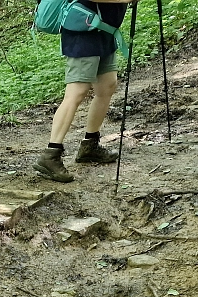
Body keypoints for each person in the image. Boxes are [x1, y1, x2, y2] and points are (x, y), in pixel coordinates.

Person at [34, 0, 135, 183]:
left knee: (107, 86)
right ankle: (50, 155)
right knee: (77, 92)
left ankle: (90, 145)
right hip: (83, 33)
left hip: (104, 31)